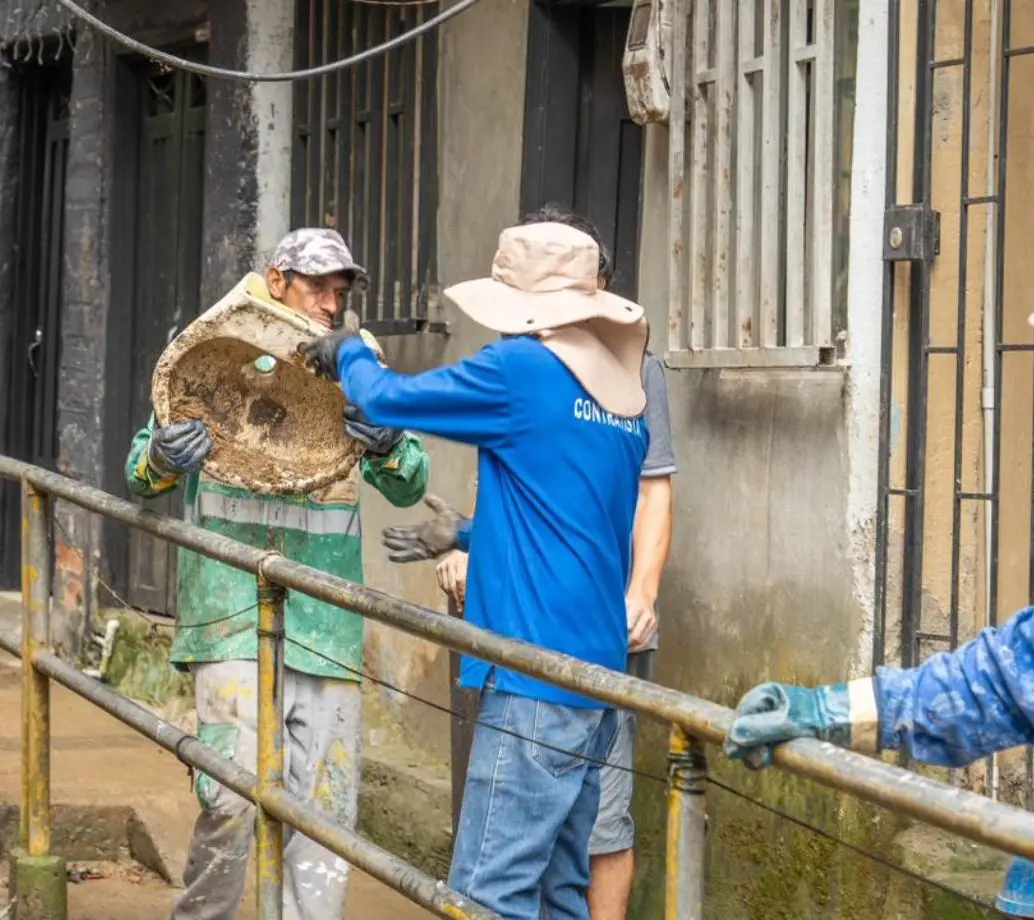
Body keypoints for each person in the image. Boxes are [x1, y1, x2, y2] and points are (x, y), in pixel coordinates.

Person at [301, 220, 651, 920]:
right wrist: (465, 531)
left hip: (531, 674)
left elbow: (388, 400)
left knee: (487, 892)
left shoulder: (522, 368)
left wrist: (348, 352)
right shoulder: (621, 399)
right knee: (560, 890)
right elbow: (572, 523)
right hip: (597, 677)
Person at [125, 227, 430, 920]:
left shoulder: (358, 369)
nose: (329, 303)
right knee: (231, 797)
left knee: (323, 817)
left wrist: (387, 444)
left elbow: (411, 479)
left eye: (339, 291)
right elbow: (139, 472)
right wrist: (165, 457)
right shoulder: (217, 351)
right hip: (230, 612)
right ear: (277, 280)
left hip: (326, 627)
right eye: (316, 286)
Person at [434, 204, 676, 920]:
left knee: (594, 827)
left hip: (597, 629)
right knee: (530, 844)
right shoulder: (522, 359)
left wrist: (641, 592)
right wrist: (468, 545)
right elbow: (516, 486)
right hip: (525, 631)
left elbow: (654, 491)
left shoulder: (636, 372)